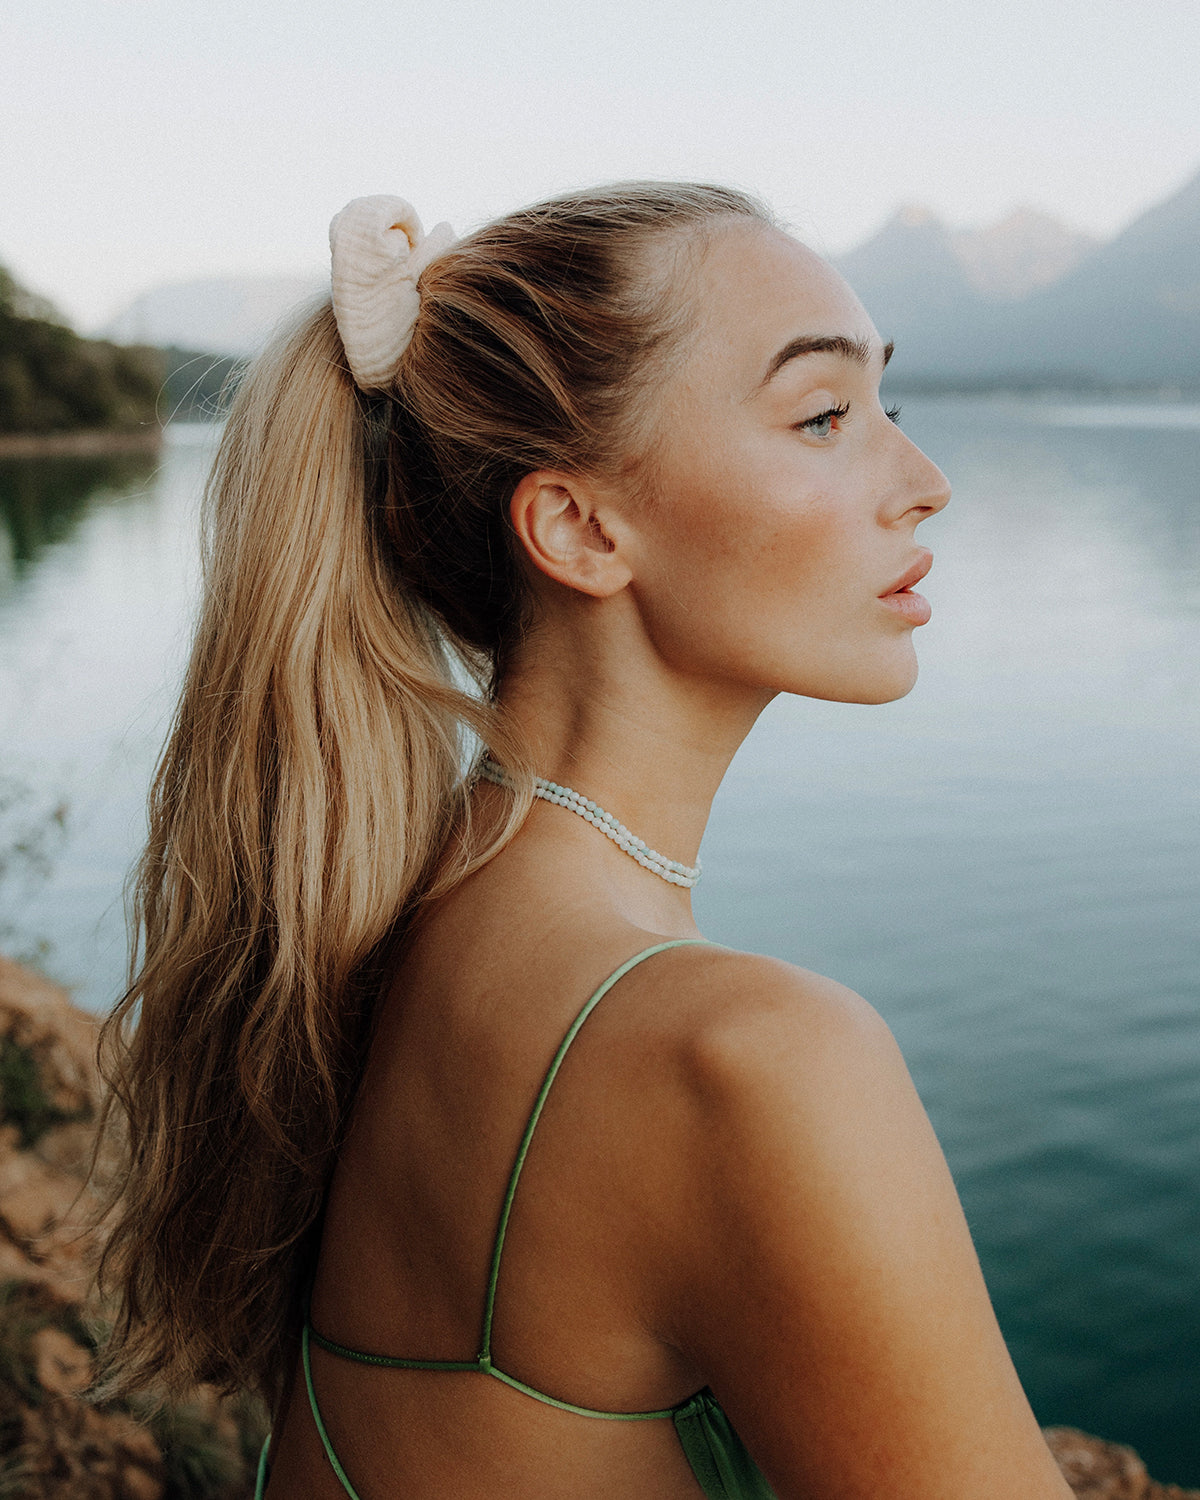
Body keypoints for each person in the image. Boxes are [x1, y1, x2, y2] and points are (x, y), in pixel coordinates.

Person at [95, 182, 1075, 1499]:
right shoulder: (748, 1060)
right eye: (826, 417)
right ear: (579, 527)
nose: (925, 483)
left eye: (886, 407)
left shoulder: (383, 932)